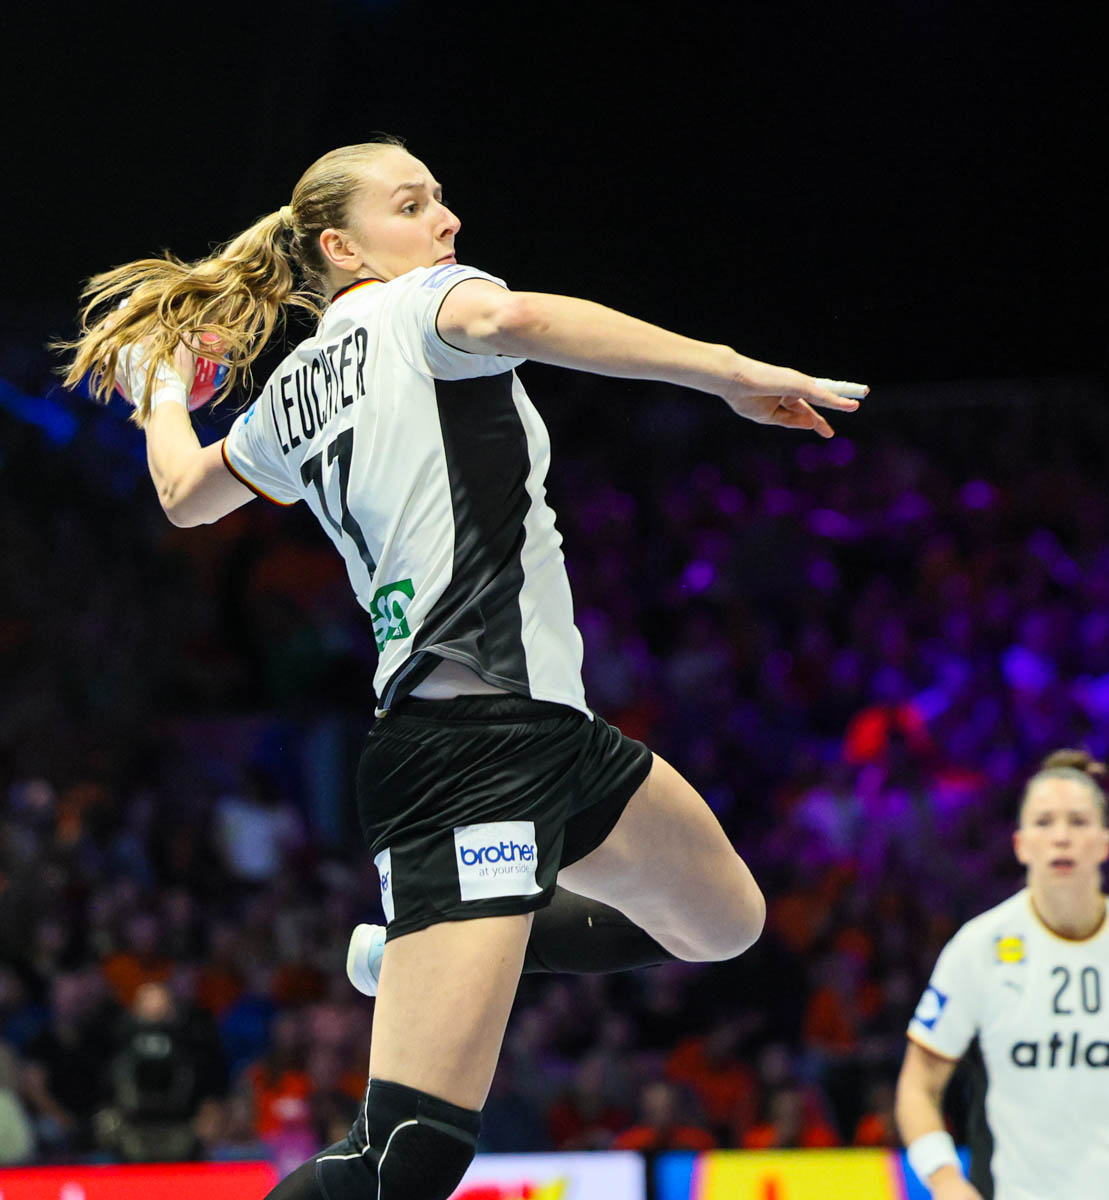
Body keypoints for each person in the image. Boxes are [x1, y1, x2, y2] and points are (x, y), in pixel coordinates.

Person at [59, 137, 866, 1200]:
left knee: (725, 921)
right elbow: (518, 318)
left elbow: (183, 492)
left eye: (440, 200)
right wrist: (727, 372)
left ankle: (418, 952)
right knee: (405, 1159)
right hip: (462, 758)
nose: (445, 221)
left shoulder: (295, 391)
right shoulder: (420, 308)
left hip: (553, 738)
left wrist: (163, 388)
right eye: (414, 203)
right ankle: (427, 946)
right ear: (344, 249)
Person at [895, 750, 1109, 1200]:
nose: (1062, 837)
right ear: (1021, 843)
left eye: (1079, 822)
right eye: (1044, 822)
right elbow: (918, 1084)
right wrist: (944, 1179)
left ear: (1106, 843)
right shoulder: (977, 947)